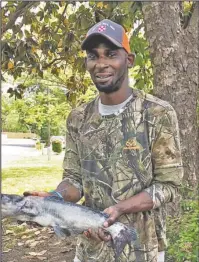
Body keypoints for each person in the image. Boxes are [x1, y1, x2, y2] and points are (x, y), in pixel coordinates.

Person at [24, 19, 183, 262]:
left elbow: (169, 186)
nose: (101, 63)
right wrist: (54, 199)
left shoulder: (157, 113)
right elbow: (74, 180)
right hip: (90, 248)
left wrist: (119, 209)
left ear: (128, 60)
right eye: (93, 56)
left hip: (143, 248)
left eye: (111, 54)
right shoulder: (78, 118)